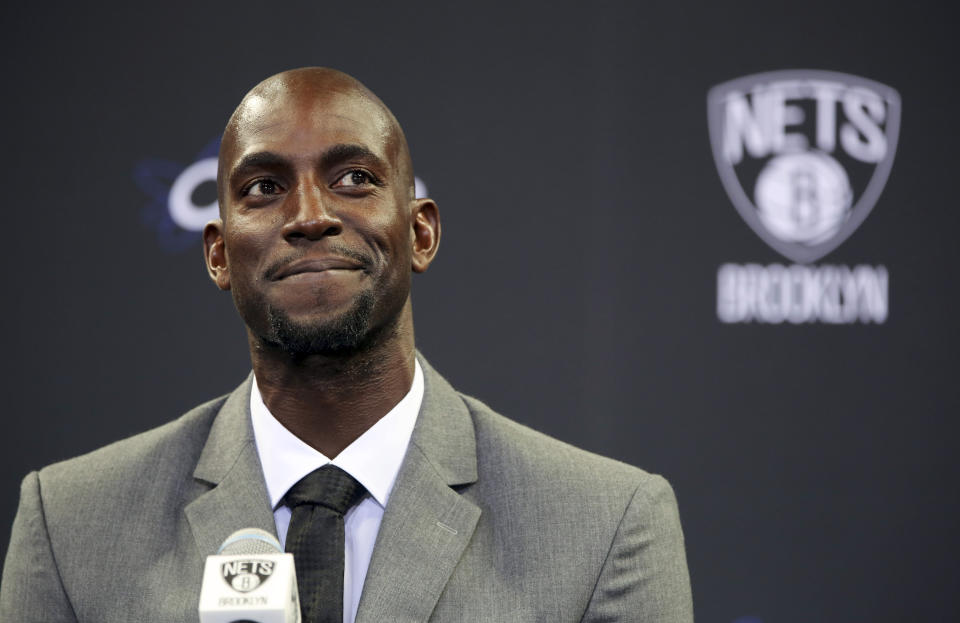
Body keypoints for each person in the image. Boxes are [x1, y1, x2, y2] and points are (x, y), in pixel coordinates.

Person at [0, 68, 693, 622]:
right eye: (265, 187)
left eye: (354, 179)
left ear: (420, 232)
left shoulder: (606, 526)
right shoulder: (70, 525)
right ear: (217, 253)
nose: (310, 215)